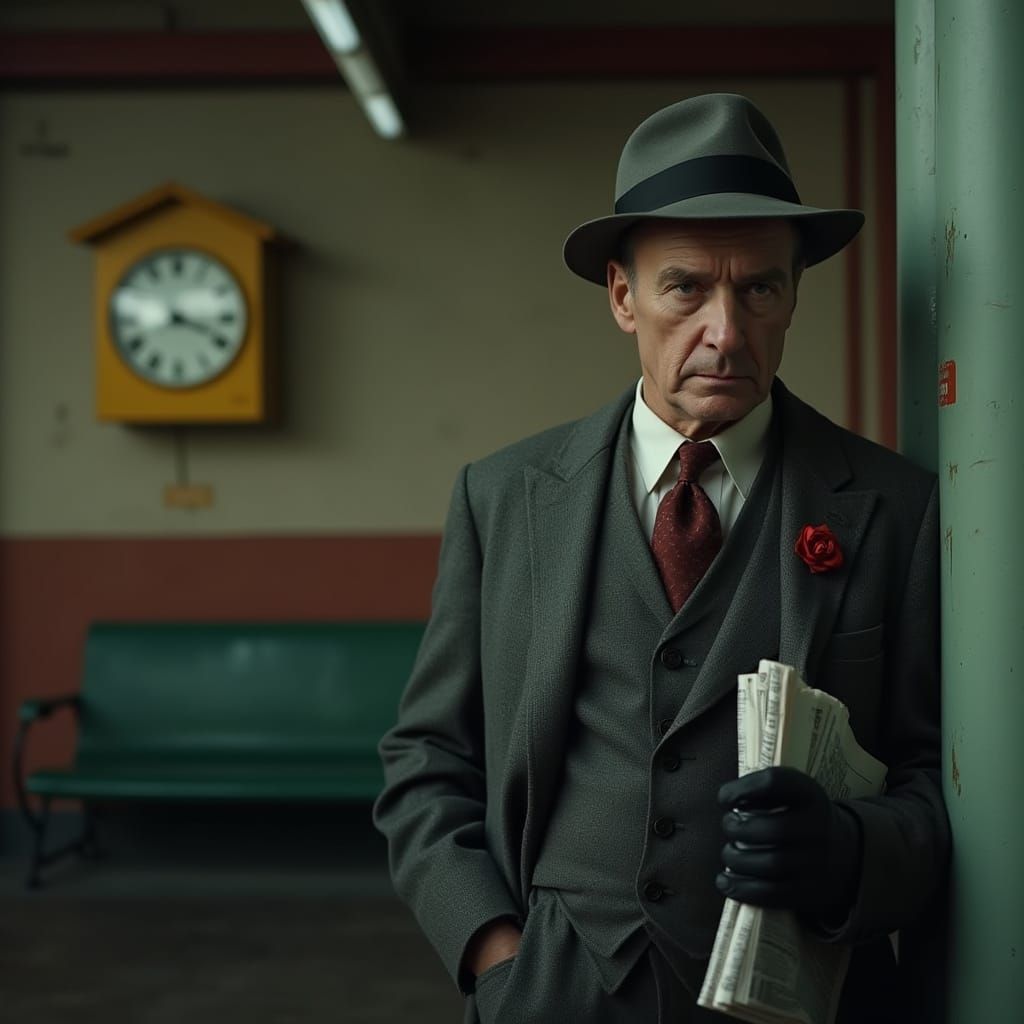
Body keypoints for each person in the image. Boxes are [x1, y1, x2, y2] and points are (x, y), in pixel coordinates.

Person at [373, 93, 948, 1023]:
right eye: (686, 287)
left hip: (803, 997)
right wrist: (490, 950)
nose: (725, 331)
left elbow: (939, 782)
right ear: (622, 295)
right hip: (554, 988)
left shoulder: (897, 508)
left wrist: (850, 853)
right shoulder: (505, 496)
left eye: (759, 287)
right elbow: (429, 755)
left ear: (793, 296)